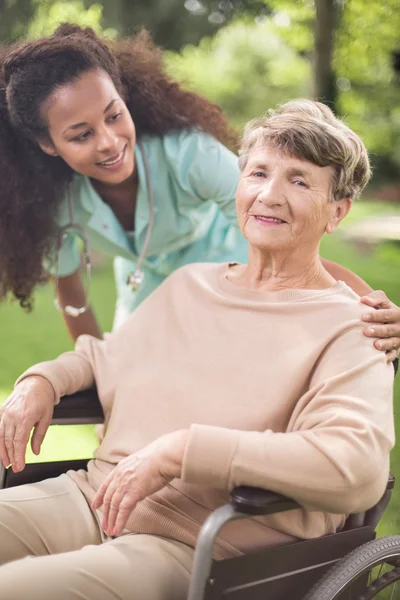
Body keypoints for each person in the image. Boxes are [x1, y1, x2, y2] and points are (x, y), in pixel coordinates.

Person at [0, 100, 394, 600]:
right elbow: (101, 358)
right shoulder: (189, 286)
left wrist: (184, 450)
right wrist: (42, 381)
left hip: (199, 544)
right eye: (258, 173)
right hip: (93, 494)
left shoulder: (354, 328)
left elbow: (354, 465)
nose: (269, 195)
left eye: (299, 181)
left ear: (337, 211)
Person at [1, 24, 400, 358]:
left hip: (236, 260)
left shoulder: (189, 155)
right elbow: (73, 298)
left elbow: (292, 253)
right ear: (48, 144)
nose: (108, 141)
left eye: (113, 115)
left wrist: (371, 304)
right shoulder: (50, 203)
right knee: (127, 386)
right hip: (146, 287)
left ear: (124, 99)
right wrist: (94, 373)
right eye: (82, 134)